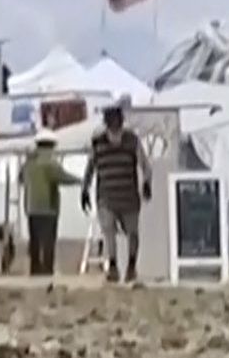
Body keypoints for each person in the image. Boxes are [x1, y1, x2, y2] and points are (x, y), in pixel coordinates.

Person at [81, 105, 153, 283]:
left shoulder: (132, 141)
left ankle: (131, 266)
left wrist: (146, 183)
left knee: (133, 232)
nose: (114, 125)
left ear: (121, 121)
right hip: (106, 196)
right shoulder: (97, 143)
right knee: (108, 230)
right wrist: (84, 190)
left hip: (128, 195)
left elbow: (145, 165)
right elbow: (90, 168)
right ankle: (112, 266)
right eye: (111, 121)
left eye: (116, 120)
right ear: (106, 123)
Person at [19, 135, 80, 277]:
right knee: (48, 242)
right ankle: (47, 270)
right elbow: (64, 177)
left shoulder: (28, 163)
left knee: (35, 240)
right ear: (51, 146)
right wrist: (81, 180)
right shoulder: (51, 163)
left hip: (31, 207)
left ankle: (35, 270)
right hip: (49, 207)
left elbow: (21, 179)